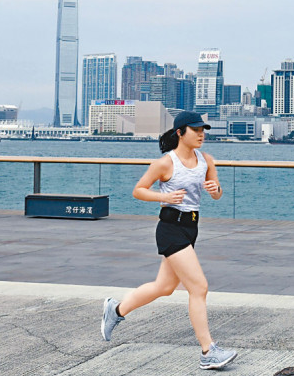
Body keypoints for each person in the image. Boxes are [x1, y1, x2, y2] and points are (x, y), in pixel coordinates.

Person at [101, 111, 238, 370]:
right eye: (196, 130)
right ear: (180, 132)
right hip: (170, 228)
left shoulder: (206, 160)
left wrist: (215, 190)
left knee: (164, 287)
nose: (201, 134)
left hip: (190, 228)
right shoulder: (166, 163)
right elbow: (139, 190)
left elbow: (217, 193)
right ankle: (208, 351)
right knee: (199, 287)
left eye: (203, 130)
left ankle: (116, 310)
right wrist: (164, 197)